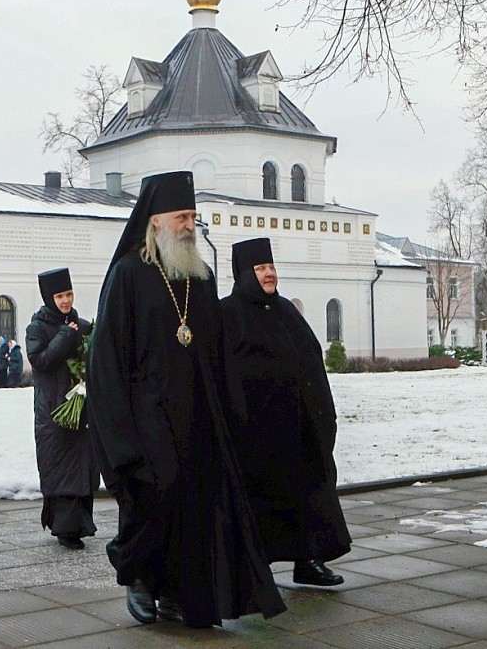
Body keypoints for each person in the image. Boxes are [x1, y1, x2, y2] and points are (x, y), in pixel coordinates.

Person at [87, 170, 285, 628]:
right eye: (181, 217)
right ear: (155, 221)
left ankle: (180, 592)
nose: (189, 226)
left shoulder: (202, 275)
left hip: (198, 410)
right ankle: (140, 577)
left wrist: (231, 409)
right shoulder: (128, 274)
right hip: (148, 412)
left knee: (196, 504)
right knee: (155, 494)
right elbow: (108, 358)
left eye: (193, 217)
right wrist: (118, 430)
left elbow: (217, 349)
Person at [220, 238, 351, 586]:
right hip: (255, 433)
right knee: (260, 502)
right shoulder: (227, 314)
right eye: (260, 269)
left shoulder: (286, 310)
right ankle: (253, 572)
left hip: (299, 428)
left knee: (309, 494)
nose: (269, 274)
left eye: (271, 267)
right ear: (244, 274)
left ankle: (308, 560)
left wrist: (323, 412)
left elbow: (310, 356)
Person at [25, 268, 97, 549]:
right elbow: (40, 362)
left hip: (80, 409)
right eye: (59, 296)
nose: (66, 300)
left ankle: (79, 526)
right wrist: (65, 335)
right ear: (49, 298)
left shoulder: (83, 326)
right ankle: (65, 529)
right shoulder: (37, 328)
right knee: (60, 468)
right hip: (53, 412)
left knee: (81, 468)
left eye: (69, 294)